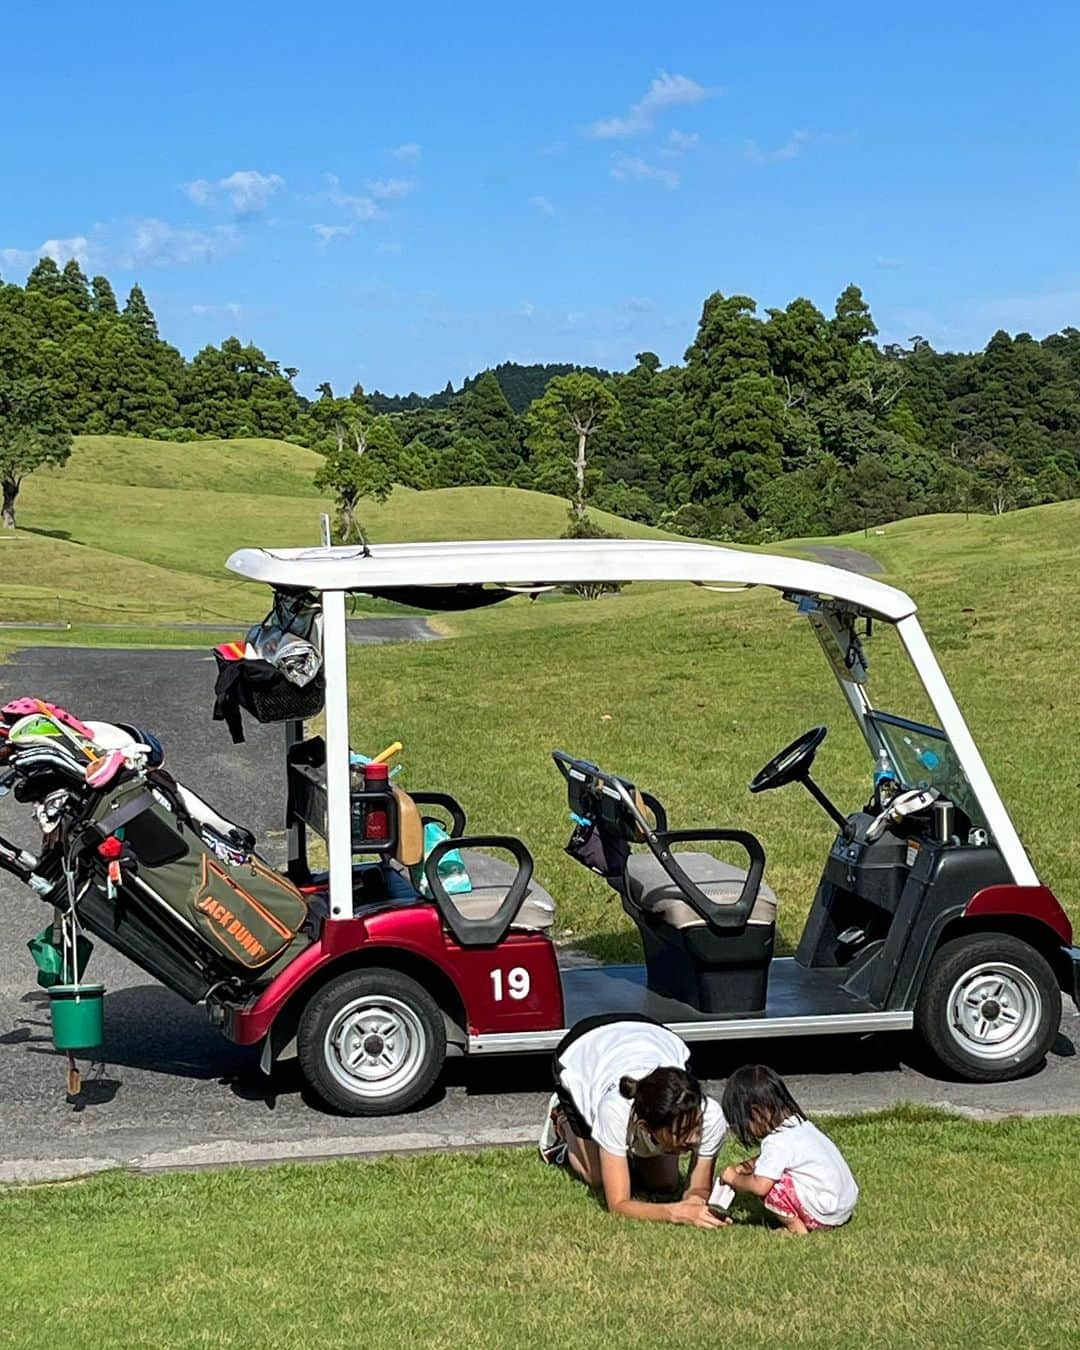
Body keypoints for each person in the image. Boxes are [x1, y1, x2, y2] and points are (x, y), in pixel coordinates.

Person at [538, 1014, 728, 1227]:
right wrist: (675, 1212)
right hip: (581, 1048)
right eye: (680, 1131)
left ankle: (622, 1152)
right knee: (597, 1177)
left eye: (695, 1126)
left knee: (664, 1183)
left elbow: (699, 1187)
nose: (694, 1139)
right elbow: (618, 1205)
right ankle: (561, 1120)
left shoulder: (711, 1115)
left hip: (653, 1031)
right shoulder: (614, 1108)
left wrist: (695, 1203)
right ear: (645, 1127)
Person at [718, 1063, 858, 1234]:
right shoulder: (799, 1124)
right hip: (843, 1207)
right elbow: (773, 1159)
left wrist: (733, 1178)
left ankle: (795, 1229)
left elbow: (759, 1186)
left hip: (824, 1215)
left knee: (770, 1183)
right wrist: (745, 1166)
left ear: (755, 1113)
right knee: (770, 1171)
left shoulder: (776, 1142)